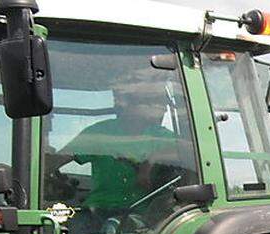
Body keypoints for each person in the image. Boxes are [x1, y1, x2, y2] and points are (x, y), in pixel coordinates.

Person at [45, 74, 179, 216]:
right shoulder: (101, 132)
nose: (163, 109)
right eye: (154, 102)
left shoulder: (163, 136)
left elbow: (191, 155)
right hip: (98, 209)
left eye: (162, 103)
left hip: (143, 213)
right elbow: (59, 158)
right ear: (130, 103)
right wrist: (41, 172)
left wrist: (152, 160)